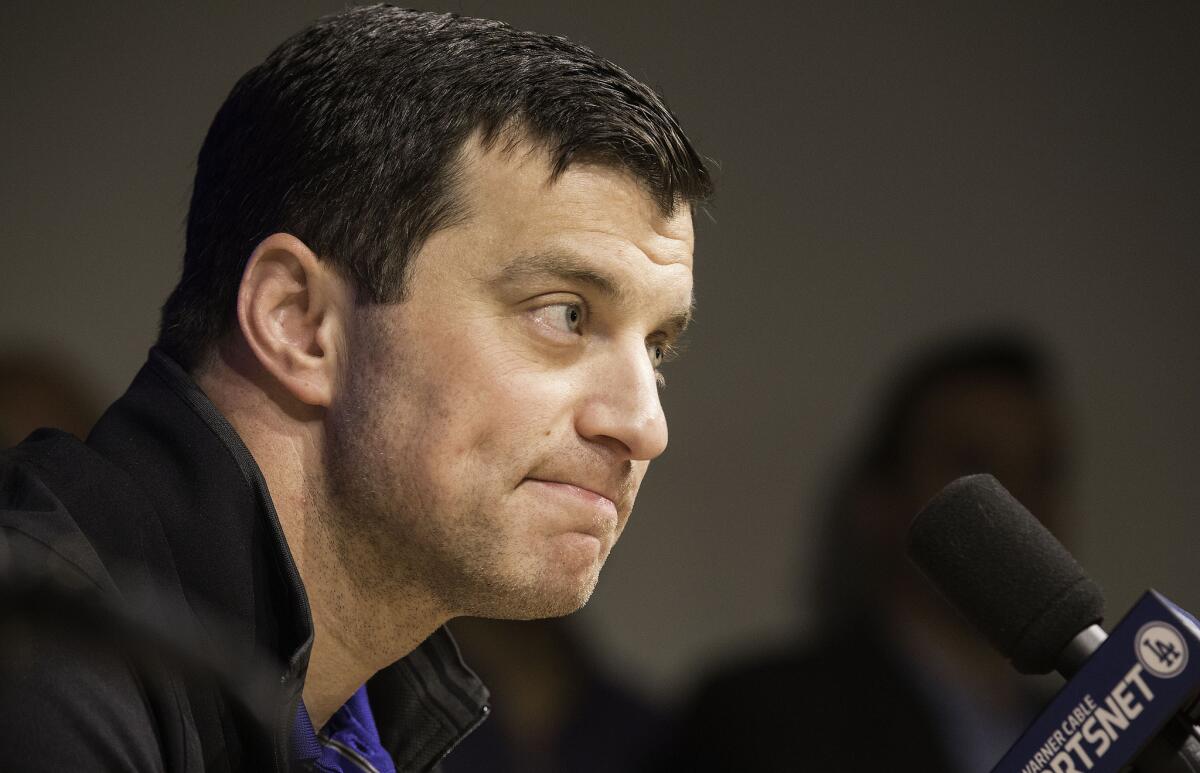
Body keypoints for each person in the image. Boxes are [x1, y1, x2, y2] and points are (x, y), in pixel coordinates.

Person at [0, 6, 712, 772]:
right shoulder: (35, 670)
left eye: (657, 345)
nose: (645, 424)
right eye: (565, 314)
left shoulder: (361, 719)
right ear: (299, 322)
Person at [665, 332, 1070, 772]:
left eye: (1043, 470)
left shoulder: (1084, 724)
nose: (1021, 499)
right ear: (882, 501)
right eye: (973, 465)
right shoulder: (767, 717)